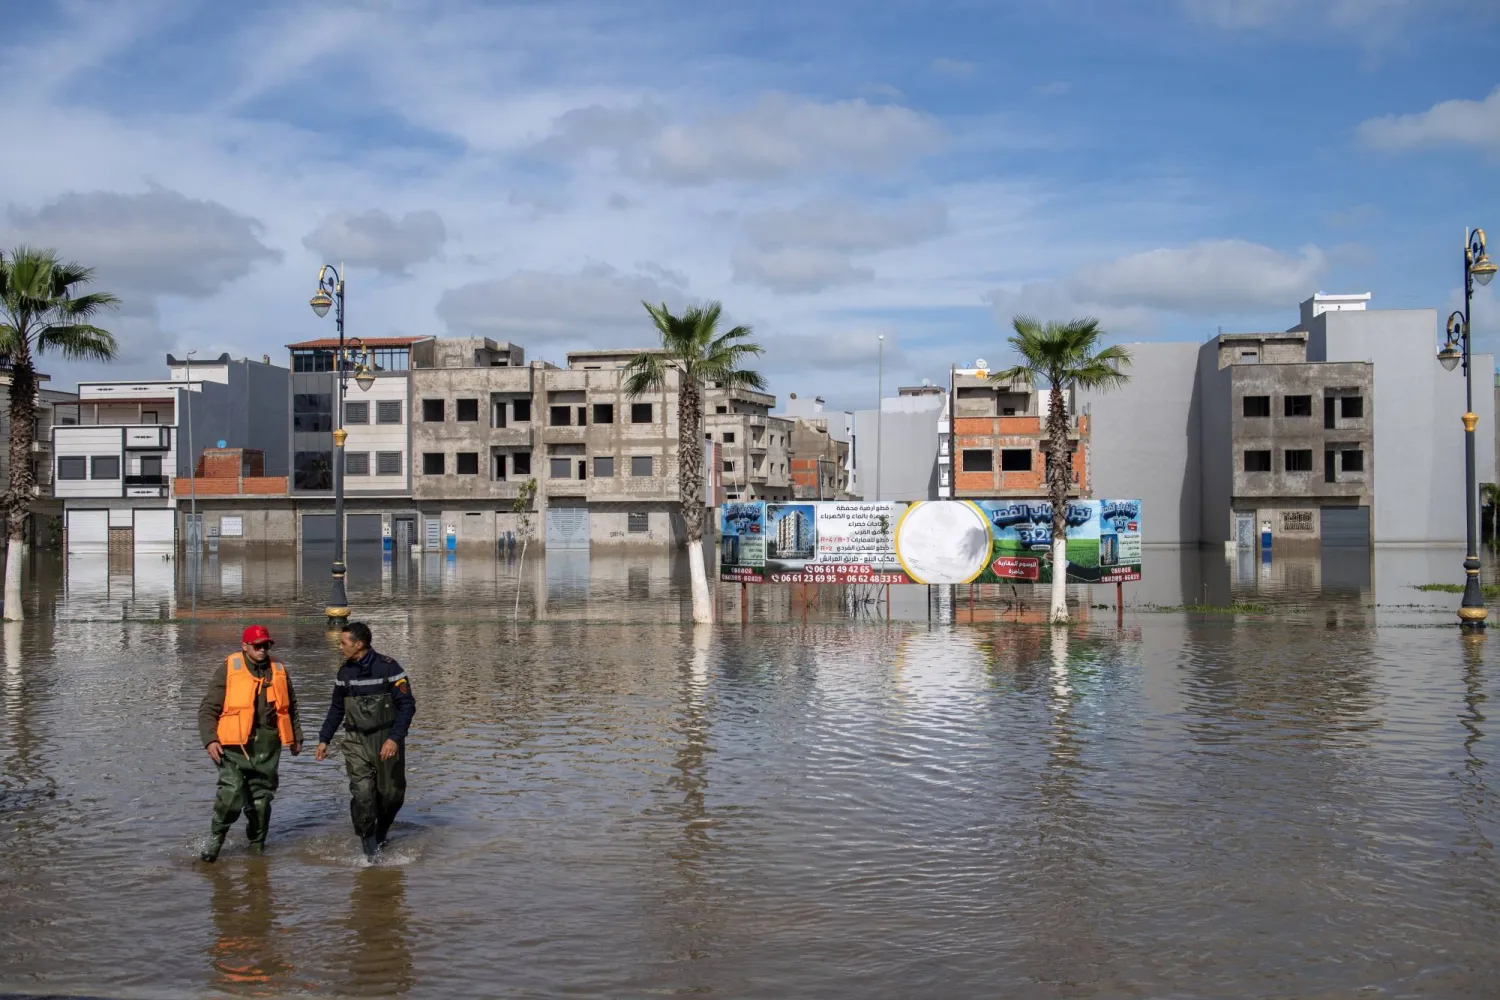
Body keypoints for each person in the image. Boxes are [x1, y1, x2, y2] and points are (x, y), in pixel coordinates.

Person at [198, 625, 303, 862]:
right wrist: (210, 740)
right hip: (232, 745)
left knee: (261, 801)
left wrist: (296, 737)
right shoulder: (228, 669)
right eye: (258, 646)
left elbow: (291, 707)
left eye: (266, 645)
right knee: (232, 792)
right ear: (244, 647)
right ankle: (216, 839)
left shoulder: (279, 670)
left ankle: (256, 848)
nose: (263, 650)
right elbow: (207, 709)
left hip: (267, 745)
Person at [315, 621, 415, 860]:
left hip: (386, 739)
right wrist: (324, 739)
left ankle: (381, 832)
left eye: (343, 643)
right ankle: (368, 841)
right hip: (356, 740)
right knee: (363, 793)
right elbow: (336, 708)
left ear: (359, 644)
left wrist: (394, 739)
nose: (340, 647)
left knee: (391, 795)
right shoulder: (344, 673)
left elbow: (407, 706)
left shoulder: (390, 669)